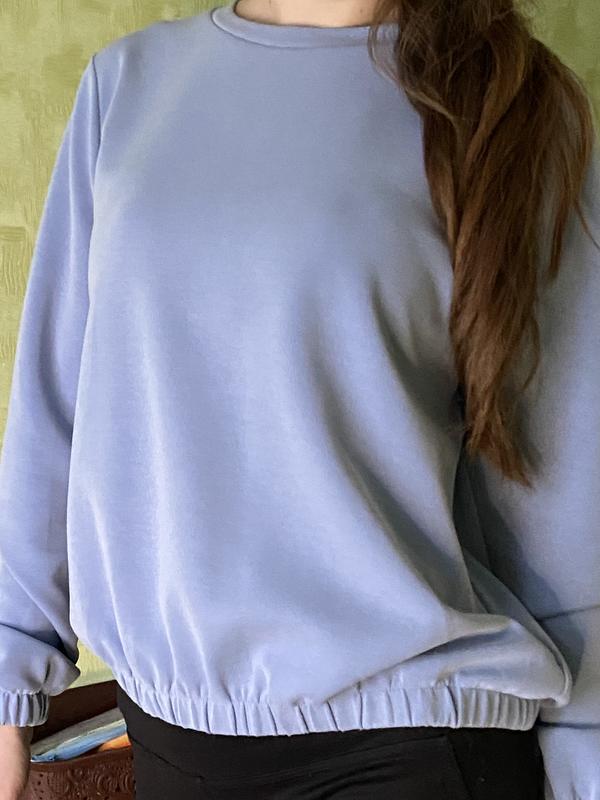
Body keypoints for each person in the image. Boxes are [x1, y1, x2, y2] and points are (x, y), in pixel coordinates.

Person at [0, 0, 598, 798]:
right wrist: (10, 666)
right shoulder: (128, 85)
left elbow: (566, 489)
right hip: (171, 742)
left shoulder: (511, 104)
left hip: (416, 746)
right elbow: (56, 407)